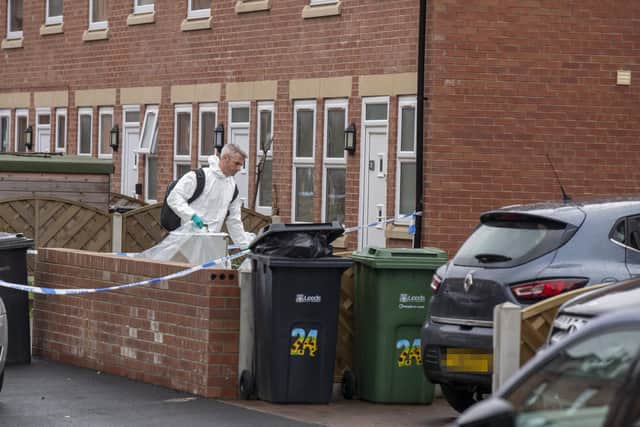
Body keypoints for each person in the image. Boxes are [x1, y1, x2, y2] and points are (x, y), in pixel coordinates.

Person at [167, 143, 253, 249]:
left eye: (241, 165)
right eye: (237, 163)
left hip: (211, 244)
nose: (239, 168)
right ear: (225, 158)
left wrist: (245, 246)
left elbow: (234, 220)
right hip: (188, 243)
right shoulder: (198, 177)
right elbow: (174, 198)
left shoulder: (232, 187)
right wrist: (192, 216)